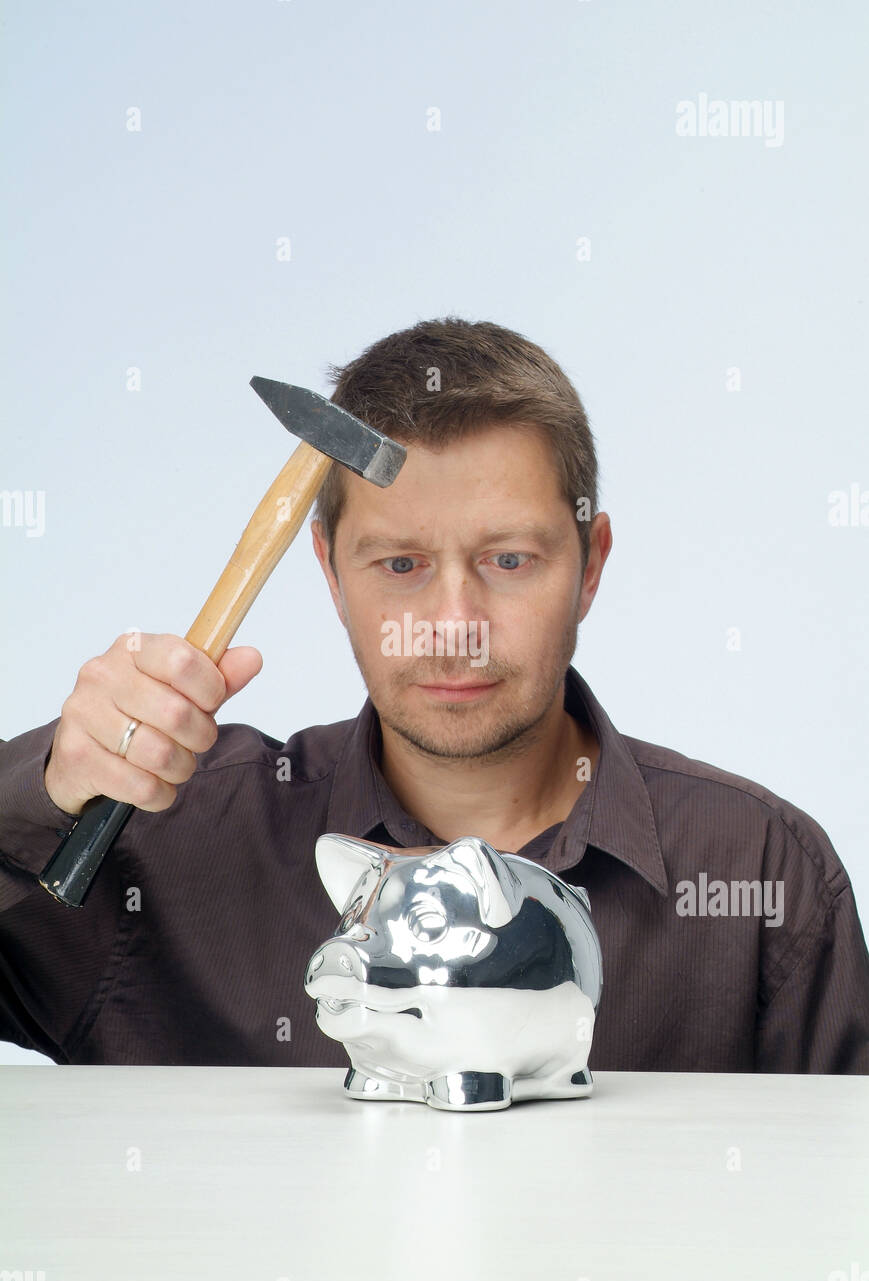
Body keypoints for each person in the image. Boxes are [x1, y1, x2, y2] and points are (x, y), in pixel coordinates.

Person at [1, 316, 867, 1071]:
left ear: (590, 565)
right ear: (331, 573)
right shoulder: (168, 837)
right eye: (402, 565)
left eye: (508, 560)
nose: (453, 623)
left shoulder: (762, 871)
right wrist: (40, 792)